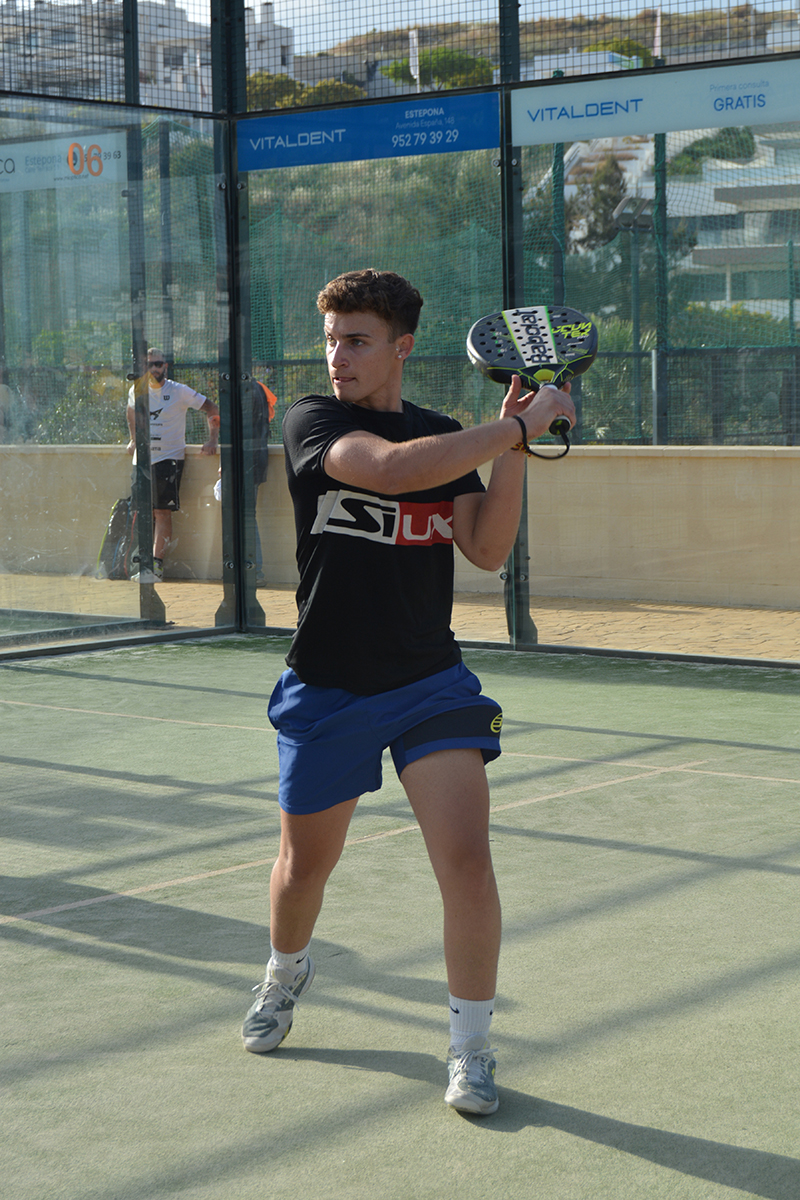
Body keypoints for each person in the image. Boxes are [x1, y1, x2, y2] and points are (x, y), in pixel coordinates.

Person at [241, 269, 575, 1115]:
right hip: (328, 686)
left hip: (430, 682)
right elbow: (387, 472)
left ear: (402, 347)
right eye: (331, 340)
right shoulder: (313, 421)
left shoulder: (444, 435)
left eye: (356, 341)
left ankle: (471, 1048)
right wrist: (513, 427)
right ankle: (285, 970)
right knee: (302, 871)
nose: (338, 356)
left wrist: (517, 449)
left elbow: (485, 549)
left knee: (466, 861)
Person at [126, 349, 220, 580]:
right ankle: (143, 565)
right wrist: (133, 439)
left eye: (158, 364)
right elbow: (130, 411)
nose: (154, 369)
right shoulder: (136, 390)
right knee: (143, 512)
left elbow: (212, 408)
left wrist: (212, 440)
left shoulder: (179, 391)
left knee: (161, 512)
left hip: (168, 459)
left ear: (165, 366)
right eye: (149, 365)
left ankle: (156, 567)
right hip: (142, 460)